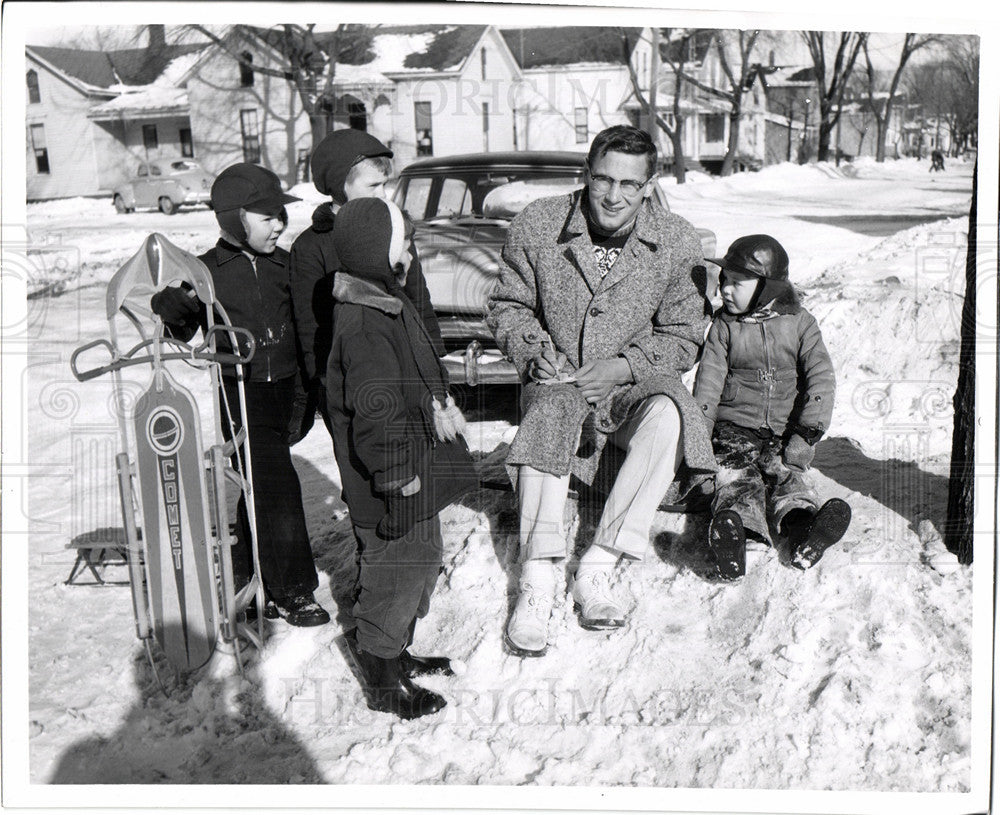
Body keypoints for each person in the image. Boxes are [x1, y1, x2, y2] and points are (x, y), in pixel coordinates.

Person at [486, 125, 718, 657]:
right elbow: (507, 305)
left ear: (649, 185)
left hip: (629, 387)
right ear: (585, 175)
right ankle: (539, 577)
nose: (614, 196)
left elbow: (684, 336)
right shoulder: (539, 224)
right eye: (603, 179)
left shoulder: (677, 239)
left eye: (629, 184)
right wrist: (533, 349)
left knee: (669, 413)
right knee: (551, 409)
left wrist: (623, 367)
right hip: (559, 378)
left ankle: (601, 563)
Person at [149, 163, 330, 627]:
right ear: (233, 219)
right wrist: (171, 304)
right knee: (277, 484)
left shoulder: (285, 265)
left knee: (259, 487)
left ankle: (249, 582)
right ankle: (292, 591)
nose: (279, 225)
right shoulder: (206, 274)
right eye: (266, 216)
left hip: (288, 392)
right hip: (241, 395)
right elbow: (181, 329)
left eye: (280, 216)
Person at [325, 197, 477, 719]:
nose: (411, 252)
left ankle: (397, 650)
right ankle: (383, 679)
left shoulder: (385, 300)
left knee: (422, 557)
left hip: (411, 466)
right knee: (396, 571)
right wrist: (394, 475)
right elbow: (374, 412)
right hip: (390, 481)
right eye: (403, 243)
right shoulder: (364, 323)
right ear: (378, 252)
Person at [692, 234, 852, 581]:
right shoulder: (724, 326)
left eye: (736, 284)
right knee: (737, 477)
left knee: (788, 476)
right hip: (734, 428)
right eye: (723, 282)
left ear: (767, 287)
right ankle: (737, 536)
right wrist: (698, 439)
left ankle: (804, 530)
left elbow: (821, 377)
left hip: (785, 430)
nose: (725, 291)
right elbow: (708, 383)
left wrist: (807, 434)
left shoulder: (800, 323)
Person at [288, 128, 443, 442]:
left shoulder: (397, 229)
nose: (383, 195)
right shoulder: (311, 247)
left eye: (386, 185)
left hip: (407, 367)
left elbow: (418, 298)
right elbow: (309, 326)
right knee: (364, 462)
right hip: (350, 379)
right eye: (373, 185)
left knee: (415, 456)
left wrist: (435, 356)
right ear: (339, 184)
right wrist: (326, 383)